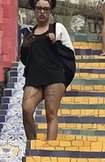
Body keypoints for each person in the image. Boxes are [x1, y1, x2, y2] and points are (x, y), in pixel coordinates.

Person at [20, 0, 75, 143]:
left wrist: (55, 42)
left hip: (54, 76)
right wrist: (25, 46)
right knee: (26, 110)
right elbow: (25, 61)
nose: (42, 12)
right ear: (34, 11)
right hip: (34, 77)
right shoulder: (30, 33)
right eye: (39, 9)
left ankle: (49, 150)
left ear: (50, 11)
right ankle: (33, 144)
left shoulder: (57, 28)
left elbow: (70, 54)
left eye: (45, 9)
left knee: (51, 114)